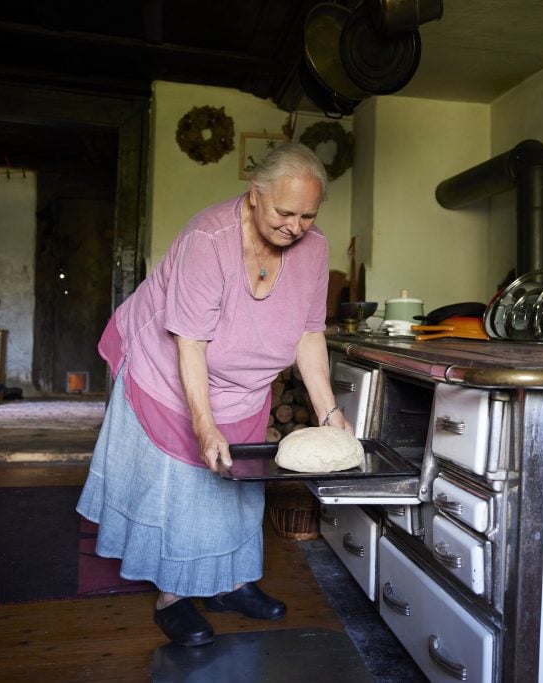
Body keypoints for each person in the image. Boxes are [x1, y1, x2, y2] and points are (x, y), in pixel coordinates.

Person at [77, 141, 352, 647]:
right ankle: (172, 598)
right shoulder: (210, 236)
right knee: (179, 492)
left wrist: (329, 412)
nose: (295, 226)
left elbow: (310, 333)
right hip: (171, 370)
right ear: (254, 196)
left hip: (244, 383)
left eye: (307, 215)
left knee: (238, 490)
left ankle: (230, 584)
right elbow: (191, 342)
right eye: (284, 212)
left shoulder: (314, 251)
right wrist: (204, 426)